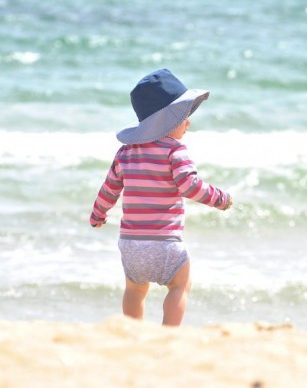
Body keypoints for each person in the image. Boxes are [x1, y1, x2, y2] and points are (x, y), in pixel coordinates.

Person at [89, 68, 232, 326]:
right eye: (184, 117)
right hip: (164, 243)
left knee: (134, 290)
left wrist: (98, 215)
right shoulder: (175, 150)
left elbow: (109, 189)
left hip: (131, 244)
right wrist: (220, 198)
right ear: (167, 121)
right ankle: (169, 333)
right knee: (180, 285)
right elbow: (190, 186)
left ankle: (133, 332)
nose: (188, 122)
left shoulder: (125, 152)